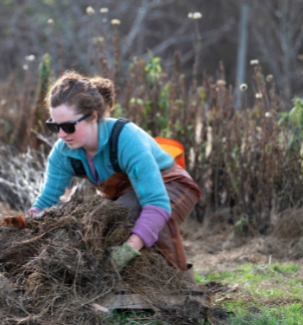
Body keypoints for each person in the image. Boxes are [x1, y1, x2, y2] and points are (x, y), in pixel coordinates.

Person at [28, 71, 201, 278]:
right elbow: (47, 200)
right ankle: (125, 283)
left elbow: (156, 201)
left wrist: (127, 250)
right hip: (128, 192)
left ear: (92, 116)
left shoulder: (126, 139)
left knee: (131, 218)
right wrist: (25, 227)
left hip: (171, 185)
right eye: (54, 126)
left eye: (68, 126)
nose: (62, 134)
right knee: (106, 224)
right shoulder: (63, 153)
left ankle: (179, 288)